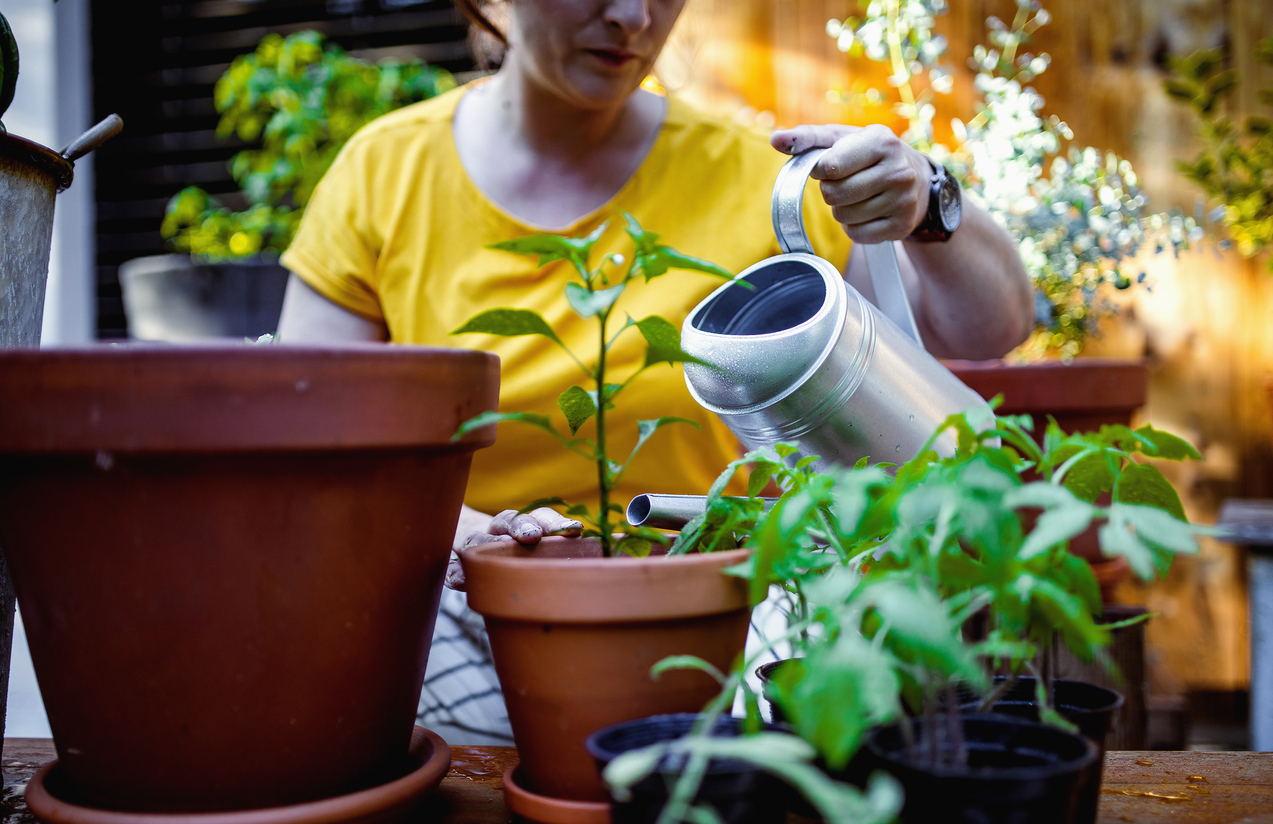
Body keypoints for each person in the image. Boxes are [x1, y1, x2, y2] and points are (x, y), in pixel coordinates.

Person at [277, 0, 1033, 742]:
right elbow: (307, 444)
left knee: (831, 651)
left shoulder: (744, 172)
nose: (635, 17)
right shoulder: (384, 174)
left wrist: (926, 200)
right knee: (332, 658)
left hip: (716, 606)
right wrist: (467, 536)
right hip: (462, 599)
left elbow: (986, 330)